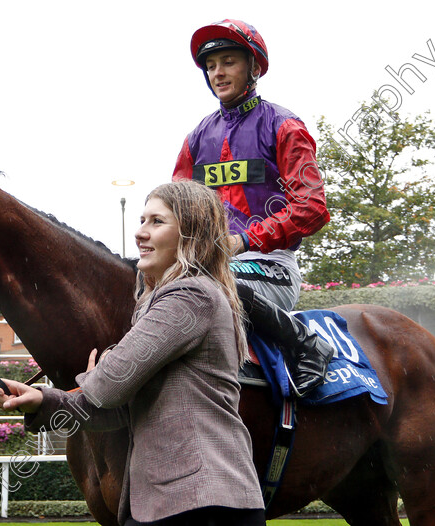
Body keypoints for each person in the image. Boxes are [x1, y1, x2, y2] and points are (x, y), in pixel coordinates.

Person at [0, 181, 266, 526]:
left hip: (204, 505)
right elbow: (120, 407)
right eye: (141, 220)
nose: (140, 232)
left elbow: (108, 387)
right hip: (169, 504)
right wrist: (44, 400)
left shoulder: (189, 296)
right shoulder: (157, 303)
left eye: (156, 222)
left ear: (191, 235)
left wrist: (101, 371)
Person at [172, 19, 334, 397]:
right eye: (211, 66)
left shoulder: (284, 125)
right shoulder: (196, 137)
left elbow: (312, 206)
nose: (218, 73)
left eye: (228, 61)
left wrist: (243, 241)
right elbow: (176, 206)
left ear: (253, 67)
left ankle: (307, 344)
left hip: (269, 267)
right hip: (202, 266)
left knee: (214, 285)